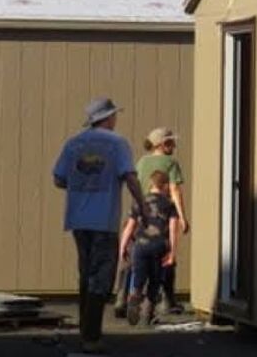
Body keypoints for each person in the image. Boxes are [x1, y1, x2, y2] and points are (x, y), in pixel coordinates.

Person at [53, 98, 145, 354]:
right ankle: (91, 337)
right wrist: (144, 208)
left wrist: (82, 185)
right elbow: (130, 177)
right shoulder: (117, 143)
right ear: (108, 118)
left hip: (78, 220)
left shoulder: (73, 143)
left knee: (86, 273)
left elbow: (58, 179)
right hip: (104, 219)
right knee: (101, 278)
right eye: (114, 115)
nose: (116, 120)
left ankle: (86, 329)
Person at [126, 128, 188, 317]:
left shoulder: (141, 162)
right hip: (161, 213)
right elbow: (175, 190)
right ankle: (165, 301)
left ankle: (127, 295)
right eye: (170, 143)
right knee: (166, 256)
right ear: (161, 144)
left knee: (137, 254)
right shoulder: (170, 163)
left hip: (141, 211)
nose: (174, 146)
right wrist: (181, 216)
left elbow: (134, 184)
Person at [117, 170, 179, 327]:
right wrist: (172, 252)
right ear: (165, 186)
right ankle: (146, 315)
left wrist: (123, 246)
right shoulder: (169, 204)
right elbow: (173, 229)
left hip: (141, 245)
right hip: (159, 246)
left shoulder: (140, 201)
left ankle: (134, 298)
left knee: (139, 278)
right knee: (155, 281)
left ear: (151, 183)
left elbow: (130, 226)